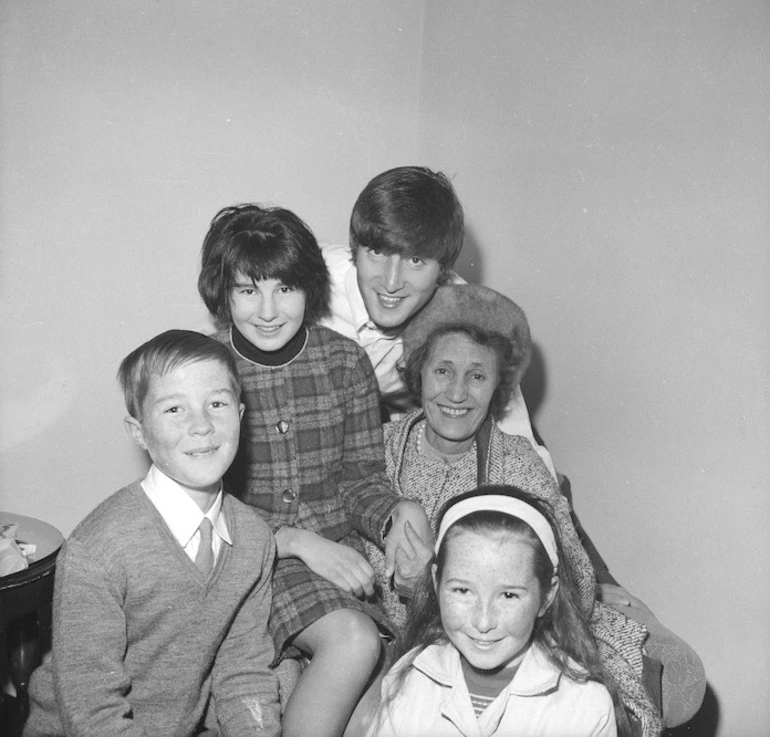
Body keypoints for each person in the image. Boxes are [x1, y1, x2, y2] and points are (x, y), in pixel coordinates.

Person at [369, 282, 704, 733]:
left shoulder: (516, 461)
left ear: (497, 387)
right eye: (443, 371)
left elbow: (575, 579)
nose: (457, 393)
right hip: (396, 637)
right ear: (418, 375)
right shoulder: (377, 451)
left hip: (506, 631)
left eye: (477, 376)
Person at [197, 203, 432, 737]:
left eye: (285, 288)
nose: (267, 310)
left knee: (392, 695)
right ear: (222, 294)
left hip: (342, 557)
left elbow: (361, 478)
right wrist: (295, 541)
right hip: (250, 563)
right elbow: (198, 510)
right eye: (247, 290)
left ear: (309, 287)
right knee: (354, 638)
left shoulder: (344, 360)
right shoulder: (204, 371)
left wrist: (397, 514)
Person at [23, 329, 281, 737]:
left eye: (217, 403)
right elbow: (92, 711)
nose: (202, 425)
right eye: (174, 409)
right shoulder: (99, 549)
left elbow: (243, 671)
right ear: (139, 432)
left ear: (241, 416)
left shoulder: (255, 539)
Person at [320, 165, 557, 477]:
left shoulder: (468, 315)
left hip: (407, 432)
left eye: (415, 261)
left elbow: (514, 433)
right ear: (355, 250)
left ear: (443, 270)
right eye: (377, 252)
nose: (391, 283)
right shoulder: (305, 283)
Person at [368, 486, 622, 737]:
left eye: (508, 595)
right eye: (462, 591)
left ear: (547, 596)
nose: (483, 621)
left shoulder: (585, 707)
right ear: (436, 584)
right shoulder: (408, 679)